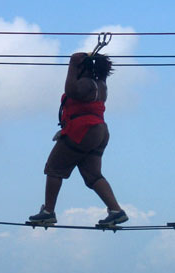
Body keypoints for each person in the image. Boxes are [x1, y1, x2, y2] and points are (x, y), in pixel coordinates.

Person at [29, 52, 128, 226]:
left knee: (54, 168)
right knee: (93, 175)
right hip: (100, 131)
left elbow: (71, 90)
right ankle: (116, 211)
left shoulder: (85, 84)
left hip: (84, 129)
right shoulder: (101, 84)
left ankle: (48, 212)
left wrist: (73, 65)